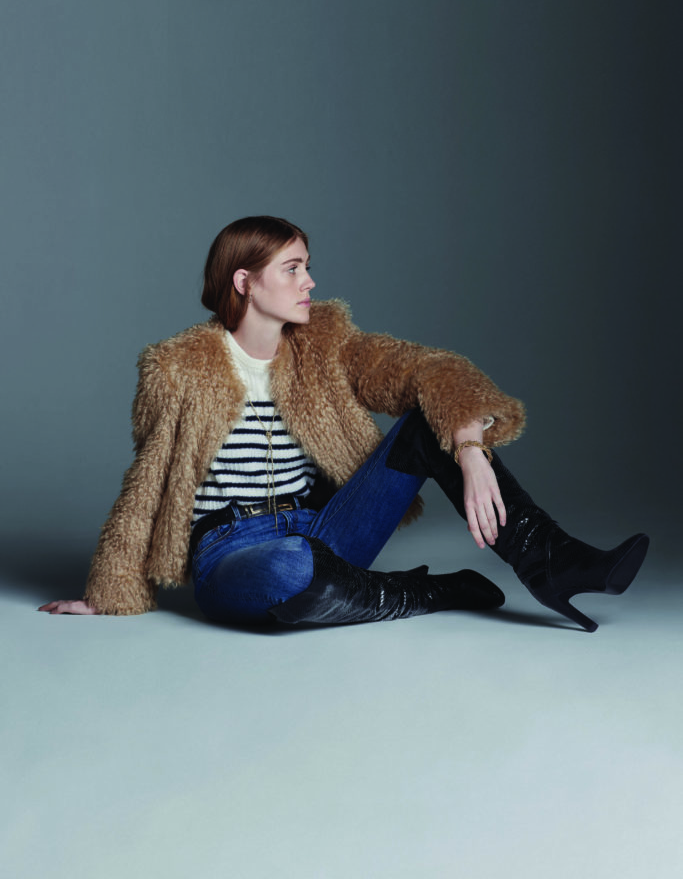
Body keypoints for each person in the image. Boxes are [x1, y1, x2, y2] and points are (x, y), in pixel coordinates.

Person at [40, 215, 649, 632]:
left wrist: (470, 446)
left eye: (308, 267)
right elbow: (147, 483)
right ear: (244, 282)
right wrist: (108, 592)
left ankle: (552, 559)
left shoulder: (324, 346)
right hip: (230, 550)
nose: (309, 282)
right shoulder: (177, 369)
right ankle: (421, 593)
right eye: (292, 269)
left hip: (328, 528)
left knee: (425, 426)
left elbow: (424, 369)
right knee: (287, 567)